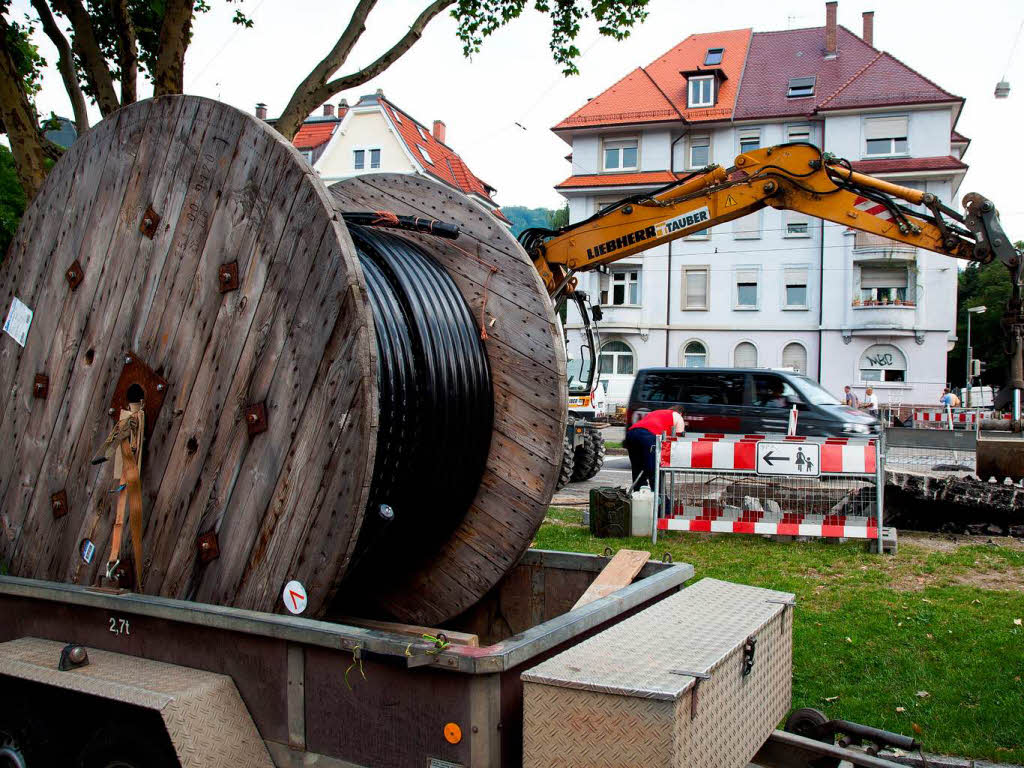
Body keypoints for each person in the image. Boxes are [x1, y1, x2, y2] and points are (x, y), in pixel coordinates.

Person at [624, 406, 686, 489]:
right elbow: (678, 439)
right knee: (654, 470)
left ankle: (640, 497)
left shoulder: (656, 412)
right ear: (681, 413)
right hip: (649, 436)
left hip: (631, 434)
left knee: (637, 468)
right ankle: (660, 498)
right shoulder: (678, 416)